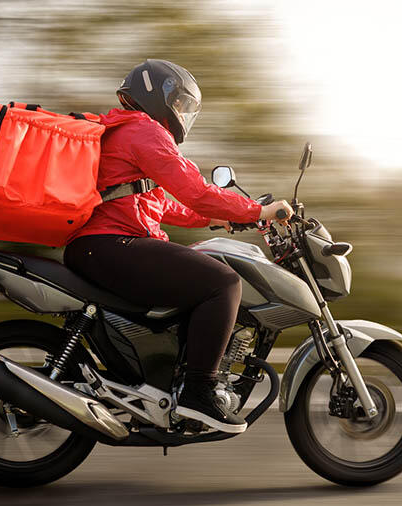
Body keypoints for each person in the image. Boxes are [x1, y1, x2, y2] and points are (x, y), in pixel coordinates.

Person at [63, 59, 292, 433]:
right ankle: (198, 392)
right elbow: (196, 190)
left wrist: (215, 219)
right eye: (180, 103)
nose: (183, 113)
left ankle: (170, 381)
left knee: (198, 279)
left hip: (100, 246)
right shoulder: (144, 130)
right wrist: (258, 210)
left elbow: (160, 205)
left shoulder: (126, 130)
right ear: (158, 95)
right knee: (223, 283)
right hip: (110, 244)